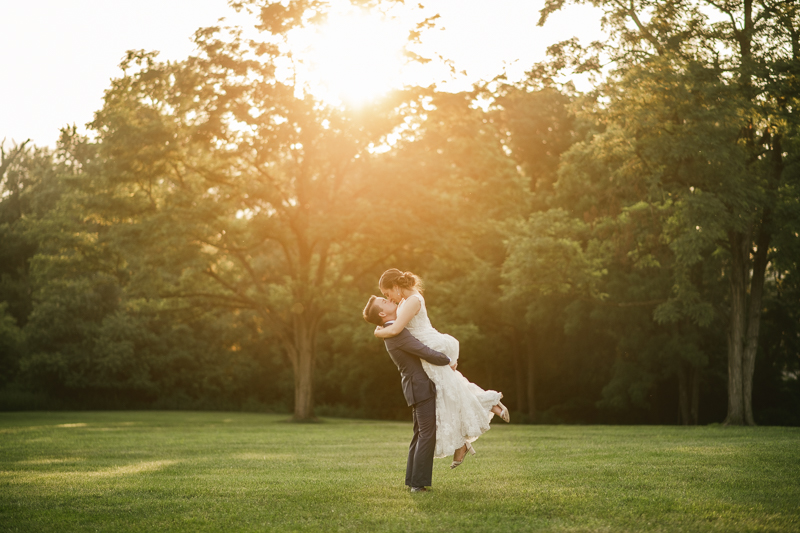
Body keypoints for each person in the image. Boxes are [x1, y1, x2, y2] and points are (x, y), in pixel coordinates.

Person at [373, 268, 509, 469]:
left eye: (387, 294)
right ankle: (465, 439)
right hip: (430, 346)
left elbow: (395, 329)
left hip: (432, 346)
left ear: (395, 286)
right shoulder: (405, 300)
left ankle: (486, 407)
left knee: (447, 393)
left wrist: (377, 331)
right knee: (448, 391)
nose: (388, 298)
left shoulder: (412, 301)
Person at [362, 295, 452, 493]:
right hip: (419, 387)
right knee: (427, 434)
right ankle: (418, 484)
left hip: (414, 387)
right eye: (384, 301)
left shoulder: (390, 331)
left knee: (420, 434)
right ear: (383, 313)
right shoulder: (396, 333)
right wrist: (448, 360)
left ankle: (413, 481)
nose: (388, 299)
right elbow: (425, 352)